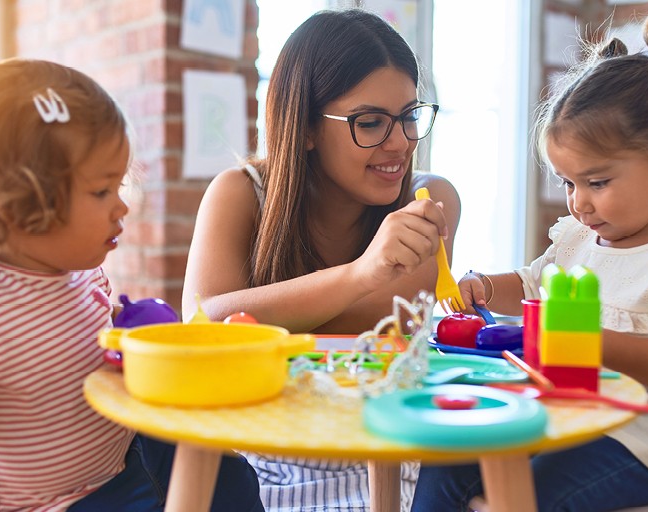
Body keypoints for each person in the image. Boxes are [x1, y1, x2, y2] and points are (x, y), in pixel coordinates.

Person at [0, 58, 263, 512]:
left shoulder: (80, 272)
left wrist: (132, 335)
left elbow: (89, 351)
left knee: (230, 475)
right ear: (16, 203)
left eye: (118, 185)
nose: (121, 207)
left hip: (123, 460)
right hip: (55, 504)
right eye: (102, 191)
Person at [412, 1, 648, 511]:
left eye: (598, 182)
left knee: (530, 496)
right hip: (558, 415)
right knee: (447, 458)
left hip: (637, 444)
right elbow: (532, 282)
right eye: (568, 182)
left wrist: (583, 341)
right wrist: (483, 286)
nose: (578, 202)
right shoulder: (577, 239)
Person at [181, 8, 460, 511]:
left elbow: (381, 330)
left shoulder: (428, 202)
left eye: (409, 115)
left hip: (388, 456)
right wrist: (360, 273)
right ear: (305, 126)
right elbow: (204, 325)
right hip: (262, 457)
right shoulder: (241, 194)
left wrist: (270, 315)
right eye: (370, 122)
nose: (399, 143)